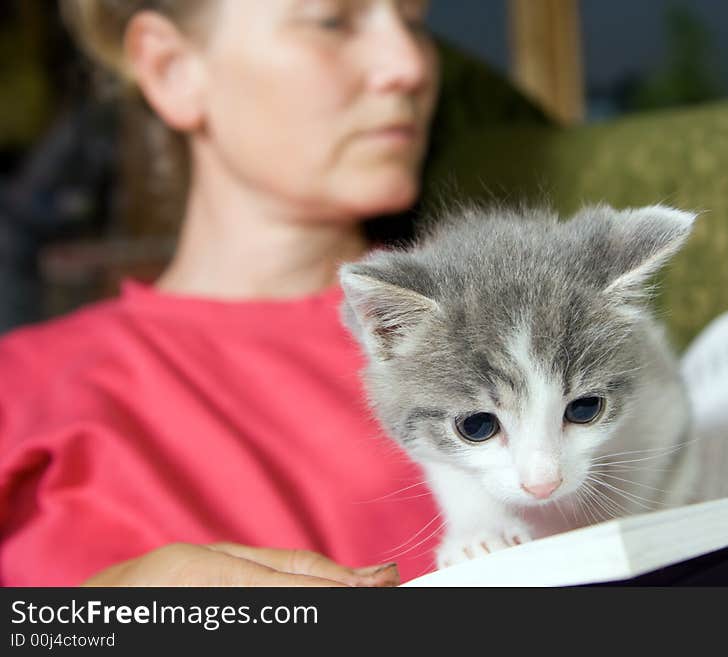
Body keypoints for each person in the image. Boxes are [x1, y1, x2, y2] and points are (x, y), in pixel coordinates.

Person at [0, 0, 441, 586]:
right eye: (332, 20)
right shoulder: (20, 388)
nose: (408, 64)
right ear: (172, 69)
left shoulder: (527, 334)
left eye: (414, 22)